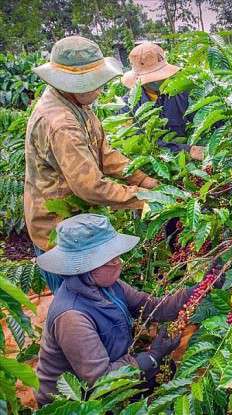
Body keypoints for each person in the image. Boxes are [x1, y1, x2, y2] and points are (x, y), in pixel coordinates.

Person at [26, 36, 158, 293]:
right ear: (74, 84)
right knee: (79, 308)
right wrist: (143, 198)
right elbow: (89, 187)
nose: (101, 90)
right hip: (59, 232)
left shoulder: (76, 103)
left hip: (79, 223)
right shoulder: (61, 124)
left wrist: (141, 178)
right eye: (95, 83)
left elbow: (103, 152)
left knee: (102, 301)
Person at [34, 214, 204, 407]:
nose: (120, 263)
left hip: (112, 369)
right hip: (74, 402)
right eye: (112, 259)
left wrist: (199, 290)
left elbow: (153, 307)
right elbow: (101, 380)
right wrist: (153, 356)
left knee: (166, 371)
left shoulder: (109, 286)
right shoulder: (72, 317)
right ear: (88, 267)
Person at [121, 42, 204, 160]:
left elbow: (200, 116)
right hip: (151, 162)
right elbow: (139, 142)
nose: (159, 80)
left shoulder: (179, 92)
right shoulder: (127, 106)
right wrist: (186, 149)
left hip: (187, 160)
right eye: (153, 77)